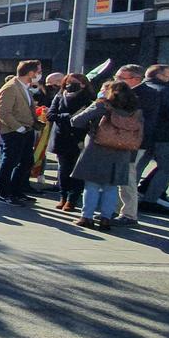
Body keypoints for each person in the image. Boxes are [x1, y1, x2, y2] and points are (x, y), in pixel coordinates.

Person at [70, 80, 143, 231]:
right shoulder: (135, 110)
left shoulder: (103, 105)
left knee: (91, 186)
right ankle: (106, 219)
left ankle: (87, 217)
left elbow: (76, 121)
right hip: (122, 152)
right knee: (111, 187)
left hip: (97, 150)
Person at [115, 64, 164, 226]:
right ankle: (116, 210)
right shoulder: (123, 91)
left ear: (136, 79)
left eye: (121, 78)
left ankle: (129, 214)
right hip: (119, 141)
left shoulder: (148, 94)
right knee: (120, 177)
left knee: (128, 178)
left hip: (135, 143)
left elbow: (144, 122)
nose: (117, 80)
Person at [0, 60, 42, 204]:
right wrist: (18, 128)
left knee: (27, 161)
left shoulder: (24, 87)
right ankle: (4, 193)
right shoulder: (11, 87)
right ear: (30, 73)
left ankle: (17, 191)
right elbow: (3, 112)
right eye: (38, 71)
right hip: (13, 131)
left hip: (26, 130)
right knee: (9, 161)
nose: (40, 74)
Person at [46, 73, 93, 211]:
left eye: (73, 82)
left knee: (77, 170)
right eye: (67, 82)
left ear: (83, 84)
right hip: (62, 137)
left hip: (79, 138)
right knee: (63, 169)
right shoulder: (60, 96)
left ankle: (73, 199)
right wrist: (69, 117)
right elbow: (51, 115)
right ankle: (63, 196)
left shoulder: (88, 98)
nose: (69, 85)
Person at [138, 64, 169, 212]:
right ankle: (150, 200)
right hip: (165, 136)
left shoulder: (138, 89)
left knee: (138, 166)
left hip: (142, 135)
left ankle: (135, 193)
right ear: (159, 75)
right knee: (167, 168)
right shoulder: (167, 91)